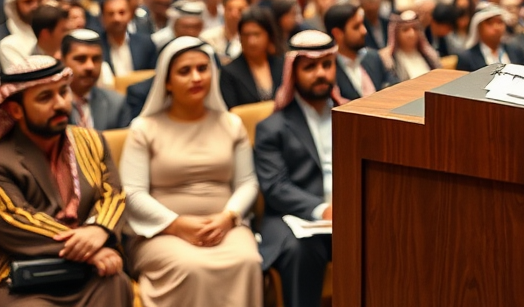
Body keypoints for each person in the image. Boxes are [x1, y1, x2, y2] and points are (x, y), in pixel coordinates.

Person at [120, 37, 262, 307]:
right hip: (160, 232)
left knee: (248, 260)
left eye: (203, 68)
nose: (196, 77)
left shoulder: (231, 123)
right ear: (167, 82)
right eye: (185, 71)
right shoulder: (143, 128)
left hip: (225, 227)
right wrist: (176, 225)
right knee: (191, 267)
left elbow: (247, 183)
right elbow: (133, 193)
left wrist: (227, 218)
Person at [0, 56, 134, 306]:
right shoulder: (2, 156)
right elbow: (14, 218)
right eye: (45, 98)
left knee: (117, 284)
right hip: (25, 276)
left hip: (89, 271)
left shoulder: (91, 140)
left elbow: (112, 194)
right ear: (16, 110)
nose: (60, 104)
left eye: (63, 92)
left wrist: (99, 229)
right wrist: (88, 249)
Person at [254, 31, 341, 307]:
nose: (320, 74)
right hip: (295, 218)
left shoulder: (353, 115)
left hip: (349, 215)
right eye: (310, 67)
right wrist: (323, 210)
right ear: (293, 71)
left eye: (327, 65)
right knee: (302, 249)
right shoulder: (272, 127)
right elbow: (275, 187)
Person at [63, 29, 131, 131]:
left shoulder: (116, 104)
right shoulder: (53, 106)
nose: (90, 66)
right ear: (63, 62)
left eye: (96, 59)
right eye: (81, 59)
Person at [219, 7, 284, 109]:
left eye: (256, 34)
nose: (251, 42)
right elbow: (232, 112)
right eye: (246, 35)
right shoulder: (229, 72)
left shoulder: (282, 64)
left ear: (268, 35)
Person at [324, 3, 387, 99]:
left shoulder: (373, 57)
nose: (364, 31)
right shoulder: (329, 69)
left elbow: (393, 85)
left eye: (363, 24)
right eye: (356, 27)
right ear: (337, 33)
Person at [98, 0, 158, 76]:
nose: (117, 18)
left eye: (121, 13)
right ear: (102, 17)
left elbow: (153, 77)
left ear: (130, 14)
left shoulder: (146, 44)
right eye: (111, 14)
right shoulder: (95, 47)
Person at [457, 3, 524, 71]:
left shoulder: (515, 50)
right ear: (478, 27)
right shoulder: (467, 58)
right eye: (490, 23)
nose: (496, 27)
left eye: (500, 22)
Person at [379, 10, 441, 84]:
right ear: (396, 34)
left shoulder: (429, 56)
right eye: (405, 30)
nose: (412, 34)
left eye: (415, 28)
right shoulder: (389, 61)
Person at [0, 0, 44, 70]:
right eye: (28, 1)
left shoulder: (48, 29)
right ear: (15, 5)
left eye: (39, 1)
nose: (35, 6)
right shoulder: (3, 34)